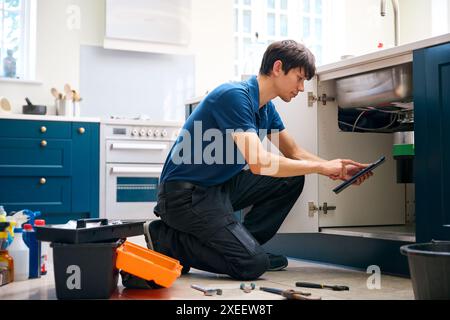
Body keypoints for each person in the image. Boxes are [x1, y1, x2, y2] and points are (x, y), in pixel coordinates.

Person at [143, 40, 372, 281]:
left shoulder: (265, 108)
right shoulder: (233, 96)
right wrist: (322, 167)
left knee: (292, 178)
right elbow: (259, 163)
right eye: (299, 78)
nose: (302, 88)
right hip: (183, 197)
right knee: (252, 265)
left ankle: (245, 245)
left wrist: (336, 167)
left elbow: (294, 152)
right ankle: (166, 240)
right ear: (278, 67)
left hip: (216, 189)